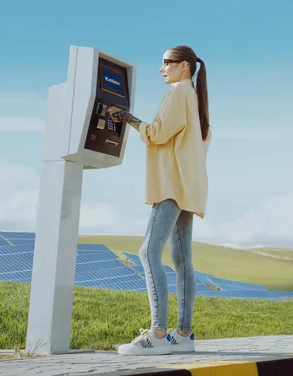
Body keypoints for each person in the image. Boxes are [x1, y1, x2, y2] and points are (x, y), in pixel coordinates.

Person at [107, 45, 211, 356]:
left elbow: (157, 133)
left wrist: (129, 119)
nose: (161, 68)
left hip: (171, 184)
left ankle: (158, 334)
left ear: (185, 66)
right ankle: (183, 334)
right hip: (190, 186)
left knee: (148, 252)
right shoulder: (197, 97)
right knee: (182, 261)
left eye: (167, 62)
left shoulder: (178, 92)